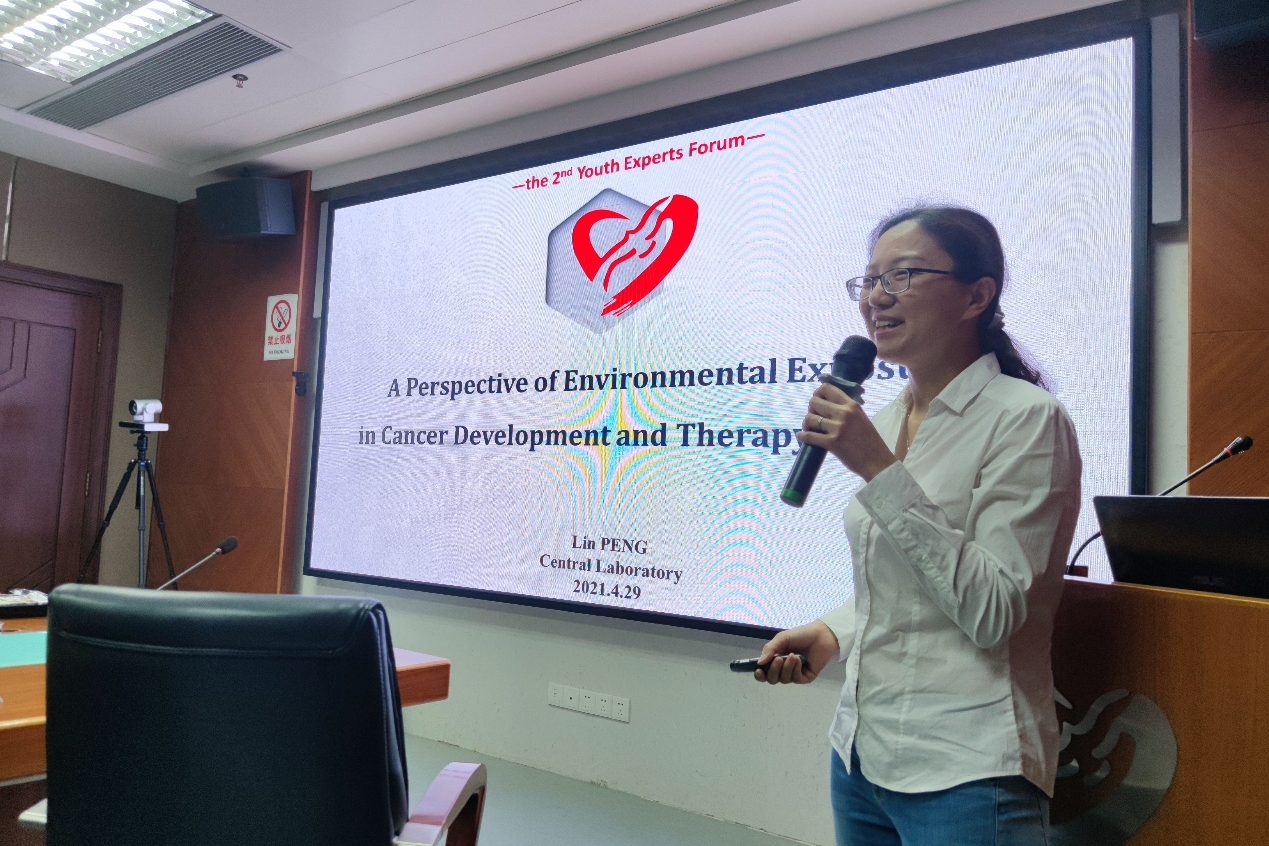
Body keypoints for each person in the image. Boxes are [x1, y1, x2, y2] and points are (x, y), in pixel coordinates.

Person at [754, 206, 1082, 846]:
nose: (876, 296)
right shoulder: (888, 417)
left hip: (967, 766)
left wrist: (879, 469)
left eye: (902, 275)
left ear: (976, 297)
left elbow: (994, 610)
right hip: (861, 755)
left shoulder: (1027, 419)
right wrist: (833, 631)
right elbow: (907, 582)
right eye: (870, 279)